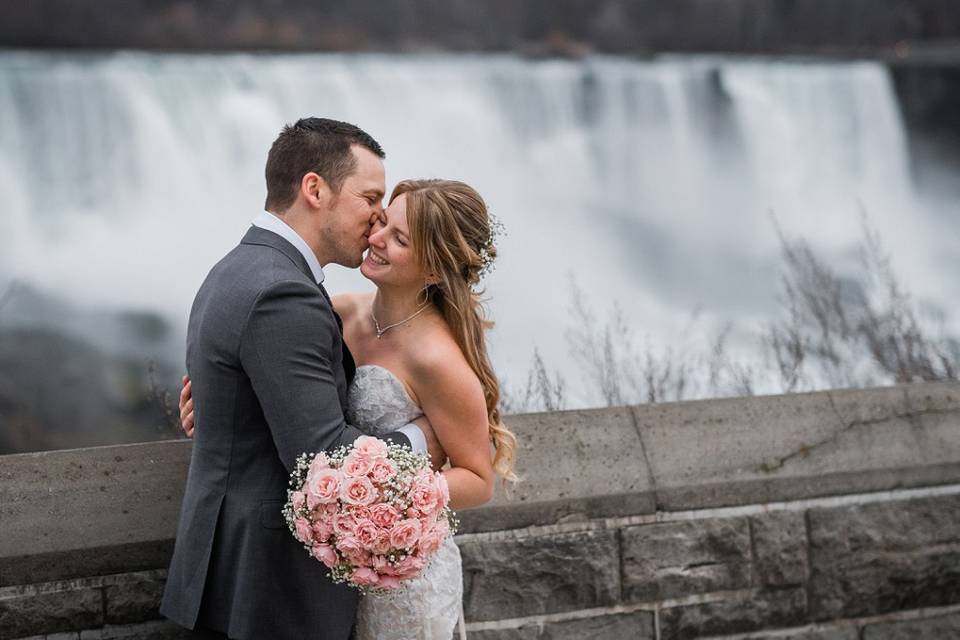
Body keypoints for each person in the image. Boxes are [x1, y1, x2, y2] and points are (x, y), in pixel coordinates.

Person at [180, 177, 518, 639]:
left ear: (436, 271)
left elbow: (479, 481)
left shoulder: (437, 360)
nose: (375, 239)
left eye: (399, 239)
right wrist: (221, 401)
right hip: (332, 568)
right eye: (382, 222)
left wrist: (388, 502)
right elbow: (287, 385)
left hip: (403, 574)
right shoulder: (337, 313)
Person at [160, 118, 445, 640]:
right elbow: (323, 456)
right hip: (268, 591)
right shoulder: (282, 295)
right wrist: (421, 437)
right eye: (370, 197)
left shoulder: (236, 268)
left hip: (229, 574)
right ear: (315, 189)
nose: (379, 217)